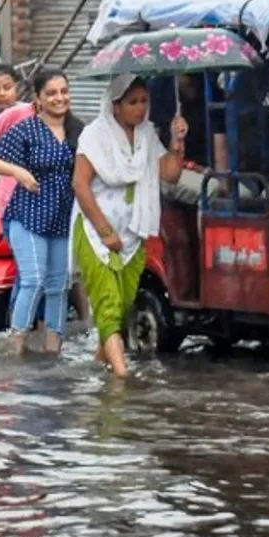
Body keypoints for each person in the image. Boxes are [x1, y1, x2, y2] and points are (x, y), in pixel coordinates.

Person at [72, 74, 186, 378]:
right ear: (116, 106)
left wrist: (177, 141)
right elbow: (80, 186)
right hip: (97, 232)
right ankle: (121, 376)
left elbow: (170, 175)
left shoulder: (148, 135)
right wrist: (106, 232)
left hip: (134, 232)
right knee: (108, 305)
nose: (140, 108)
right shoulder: (94, 136)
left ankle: (100, 365)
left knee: (122, 307)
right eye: (132, 102)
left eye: (144, 101)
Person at [0, 67, 84, 356]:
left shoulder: (78, 130)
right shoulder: (27, 128)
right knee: (34, 279)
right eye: (51, 93)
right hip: (27, 213)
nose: (58, 98)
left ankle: (53, 351)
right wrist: (17, 171)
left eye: (63, 91)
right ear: (37, 98)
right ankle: (16, 347)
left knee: (59, 285)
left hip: (62, 215)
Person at [148, 73, 229, 204]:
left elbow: (219, 143)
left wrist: (222, 179)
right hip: (165, 169)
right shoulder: (156, 89)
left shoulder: (211, 90)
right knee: (211, 189)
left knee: (242, 194)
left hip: (202, 167)